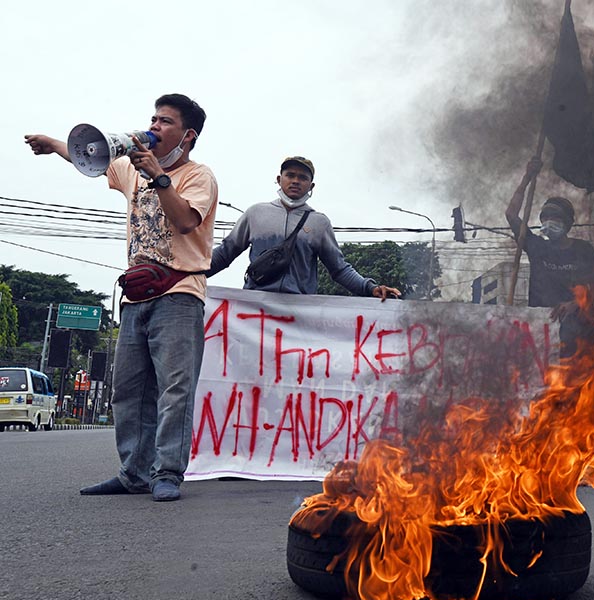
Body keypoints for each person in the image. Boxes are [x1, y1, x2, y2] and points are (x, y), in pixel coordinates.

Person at [25, 93, 218, 502]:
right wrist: (54, 144)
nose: (154, 125)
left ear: (187, 136)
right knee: (127, 390)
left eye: (165, 121)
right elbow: (91, 156)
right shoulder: (131, 169)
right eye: (153, 118)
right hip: (136, 295)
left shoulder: (199, 177)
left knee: (175, 388)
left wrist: (158, 176)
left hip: (180, 293)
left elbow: (185, 221)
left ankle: (167, 472)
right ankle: (134, 472)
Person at [207, 156, 400, 300]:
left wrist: (370, 288)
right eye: (290, 175)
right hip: (255, 307)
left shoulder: (319, 223)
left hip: (299, 313)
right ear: (279, 178)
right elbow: (225, 253)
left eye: (302, 177)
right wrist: (187, 274)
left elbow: (339, 270)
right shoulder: (255, 213)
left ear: (311, 185)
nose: (295, 181)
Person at [506, 158, 594, 357]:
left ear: (567, 223)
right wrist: (527, 177)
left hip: (578, 333)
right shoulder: (536, 247)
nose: (549, 222)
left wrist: (575, 304)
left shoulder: (583, 250)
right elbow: (511, 214)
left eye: (555, 218)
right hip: (542, 332)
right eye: (545, 218)